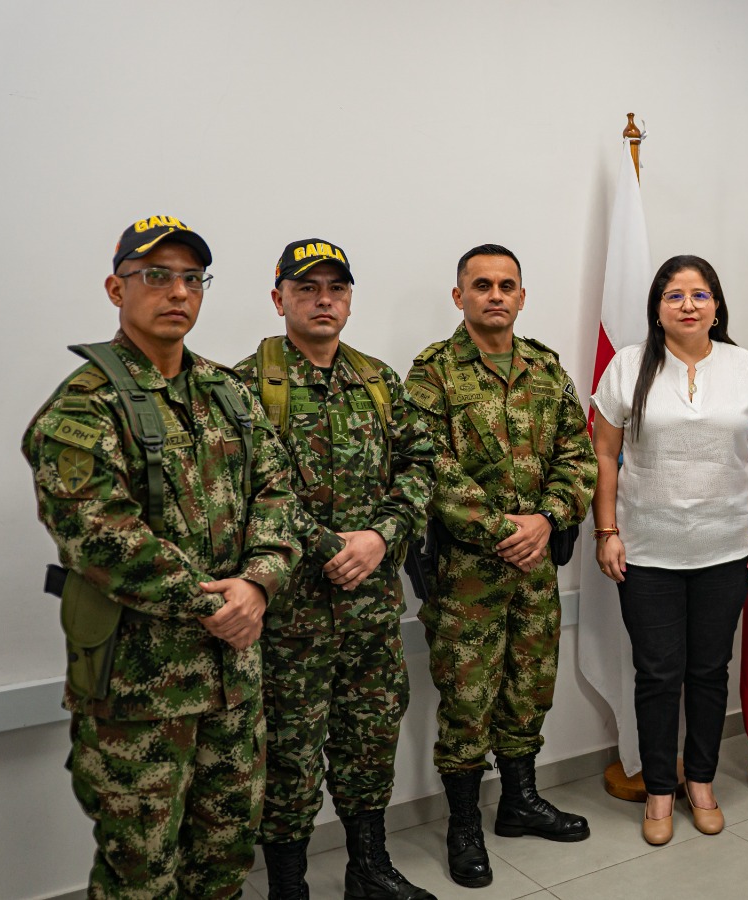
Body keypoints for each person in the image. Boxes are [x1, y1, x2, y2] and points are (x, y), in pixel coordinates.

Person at [22, 215, 302, 898]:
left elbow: (279, 492)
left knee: (226, 857)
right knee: (142, 873)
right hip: (141, 694)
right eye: (156, 276)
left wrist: (260, 585)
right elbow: (100, 535)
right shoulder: (82, 408)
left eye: (191, 278)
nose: (177, 292)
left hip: (233, 681)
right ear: (116, 288)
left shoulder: (226, 392)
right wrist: (218, 604)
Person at [234, 240, 436, 900]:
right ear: (278, 298)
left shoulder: (378, 380)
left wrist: (382, 536)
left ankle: (367, 869)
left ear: (349, 299)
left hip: (371, 612)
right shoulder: (243, 386)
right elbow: (246, 493)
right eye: (307, 286)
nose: (324, 299)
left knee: (369, 741)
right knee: (287, 758)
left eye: (337, 288)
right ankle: (288, 886)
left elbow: (419, 466)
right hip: (288, 619)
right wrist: (328, 547)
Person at [406, 243, 598, 887]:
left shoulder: (546, 370)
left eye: (506, 284)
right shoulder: (431, 374)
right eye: (481, 284)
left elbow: (580, 455)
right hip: (466, 574)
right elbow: (428, 466)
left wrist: (546, 518)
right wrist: (499, 531)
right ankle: (464, 827)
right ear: (459, 297)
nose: (495, 294)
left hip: (535, 566)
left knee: (527, 690)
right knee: (467, 702)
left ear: (521, 295)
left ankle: (518, 803)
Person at [590, 255, 748, 845]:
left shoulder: (743, 366)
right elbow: (603, 456)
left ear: (716, 305)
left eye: (700, 295)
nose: (688, 305)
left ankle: (699, 780)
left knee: (708, 670)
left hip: (727, 549)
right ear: (657, 309)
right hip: (647, 551)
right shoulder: (627, 368)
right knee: (657, 674)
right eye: (674, 295)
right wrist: (607, 532)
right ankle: (658, 788)